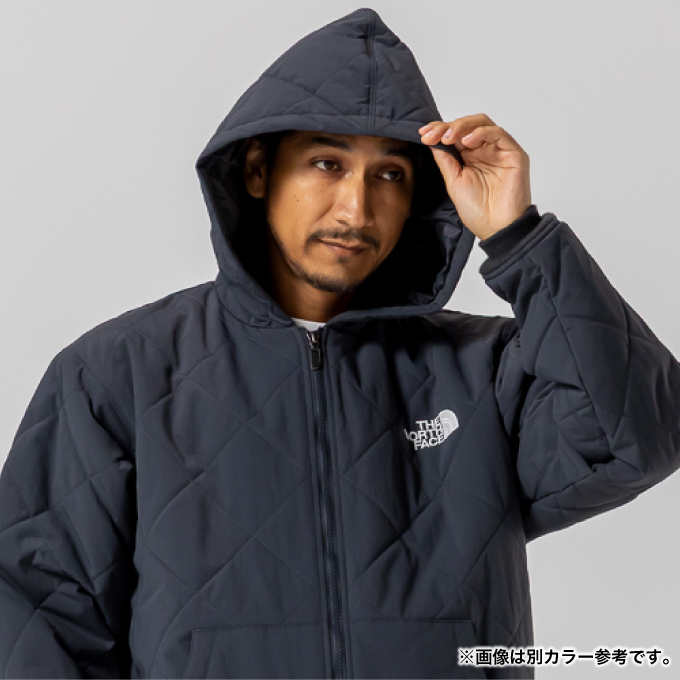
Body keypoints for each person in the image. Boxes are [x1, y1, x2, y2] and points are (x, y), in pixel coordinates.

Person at [0, 7, 678, 680]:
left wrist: (519, 237)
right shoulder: (119, 373)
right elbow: (40, 619)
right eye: (327, 163)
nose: (356, 209)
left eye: (390, 175)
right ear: (258, 170)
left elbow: (632, 442)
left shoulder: (486, 370)